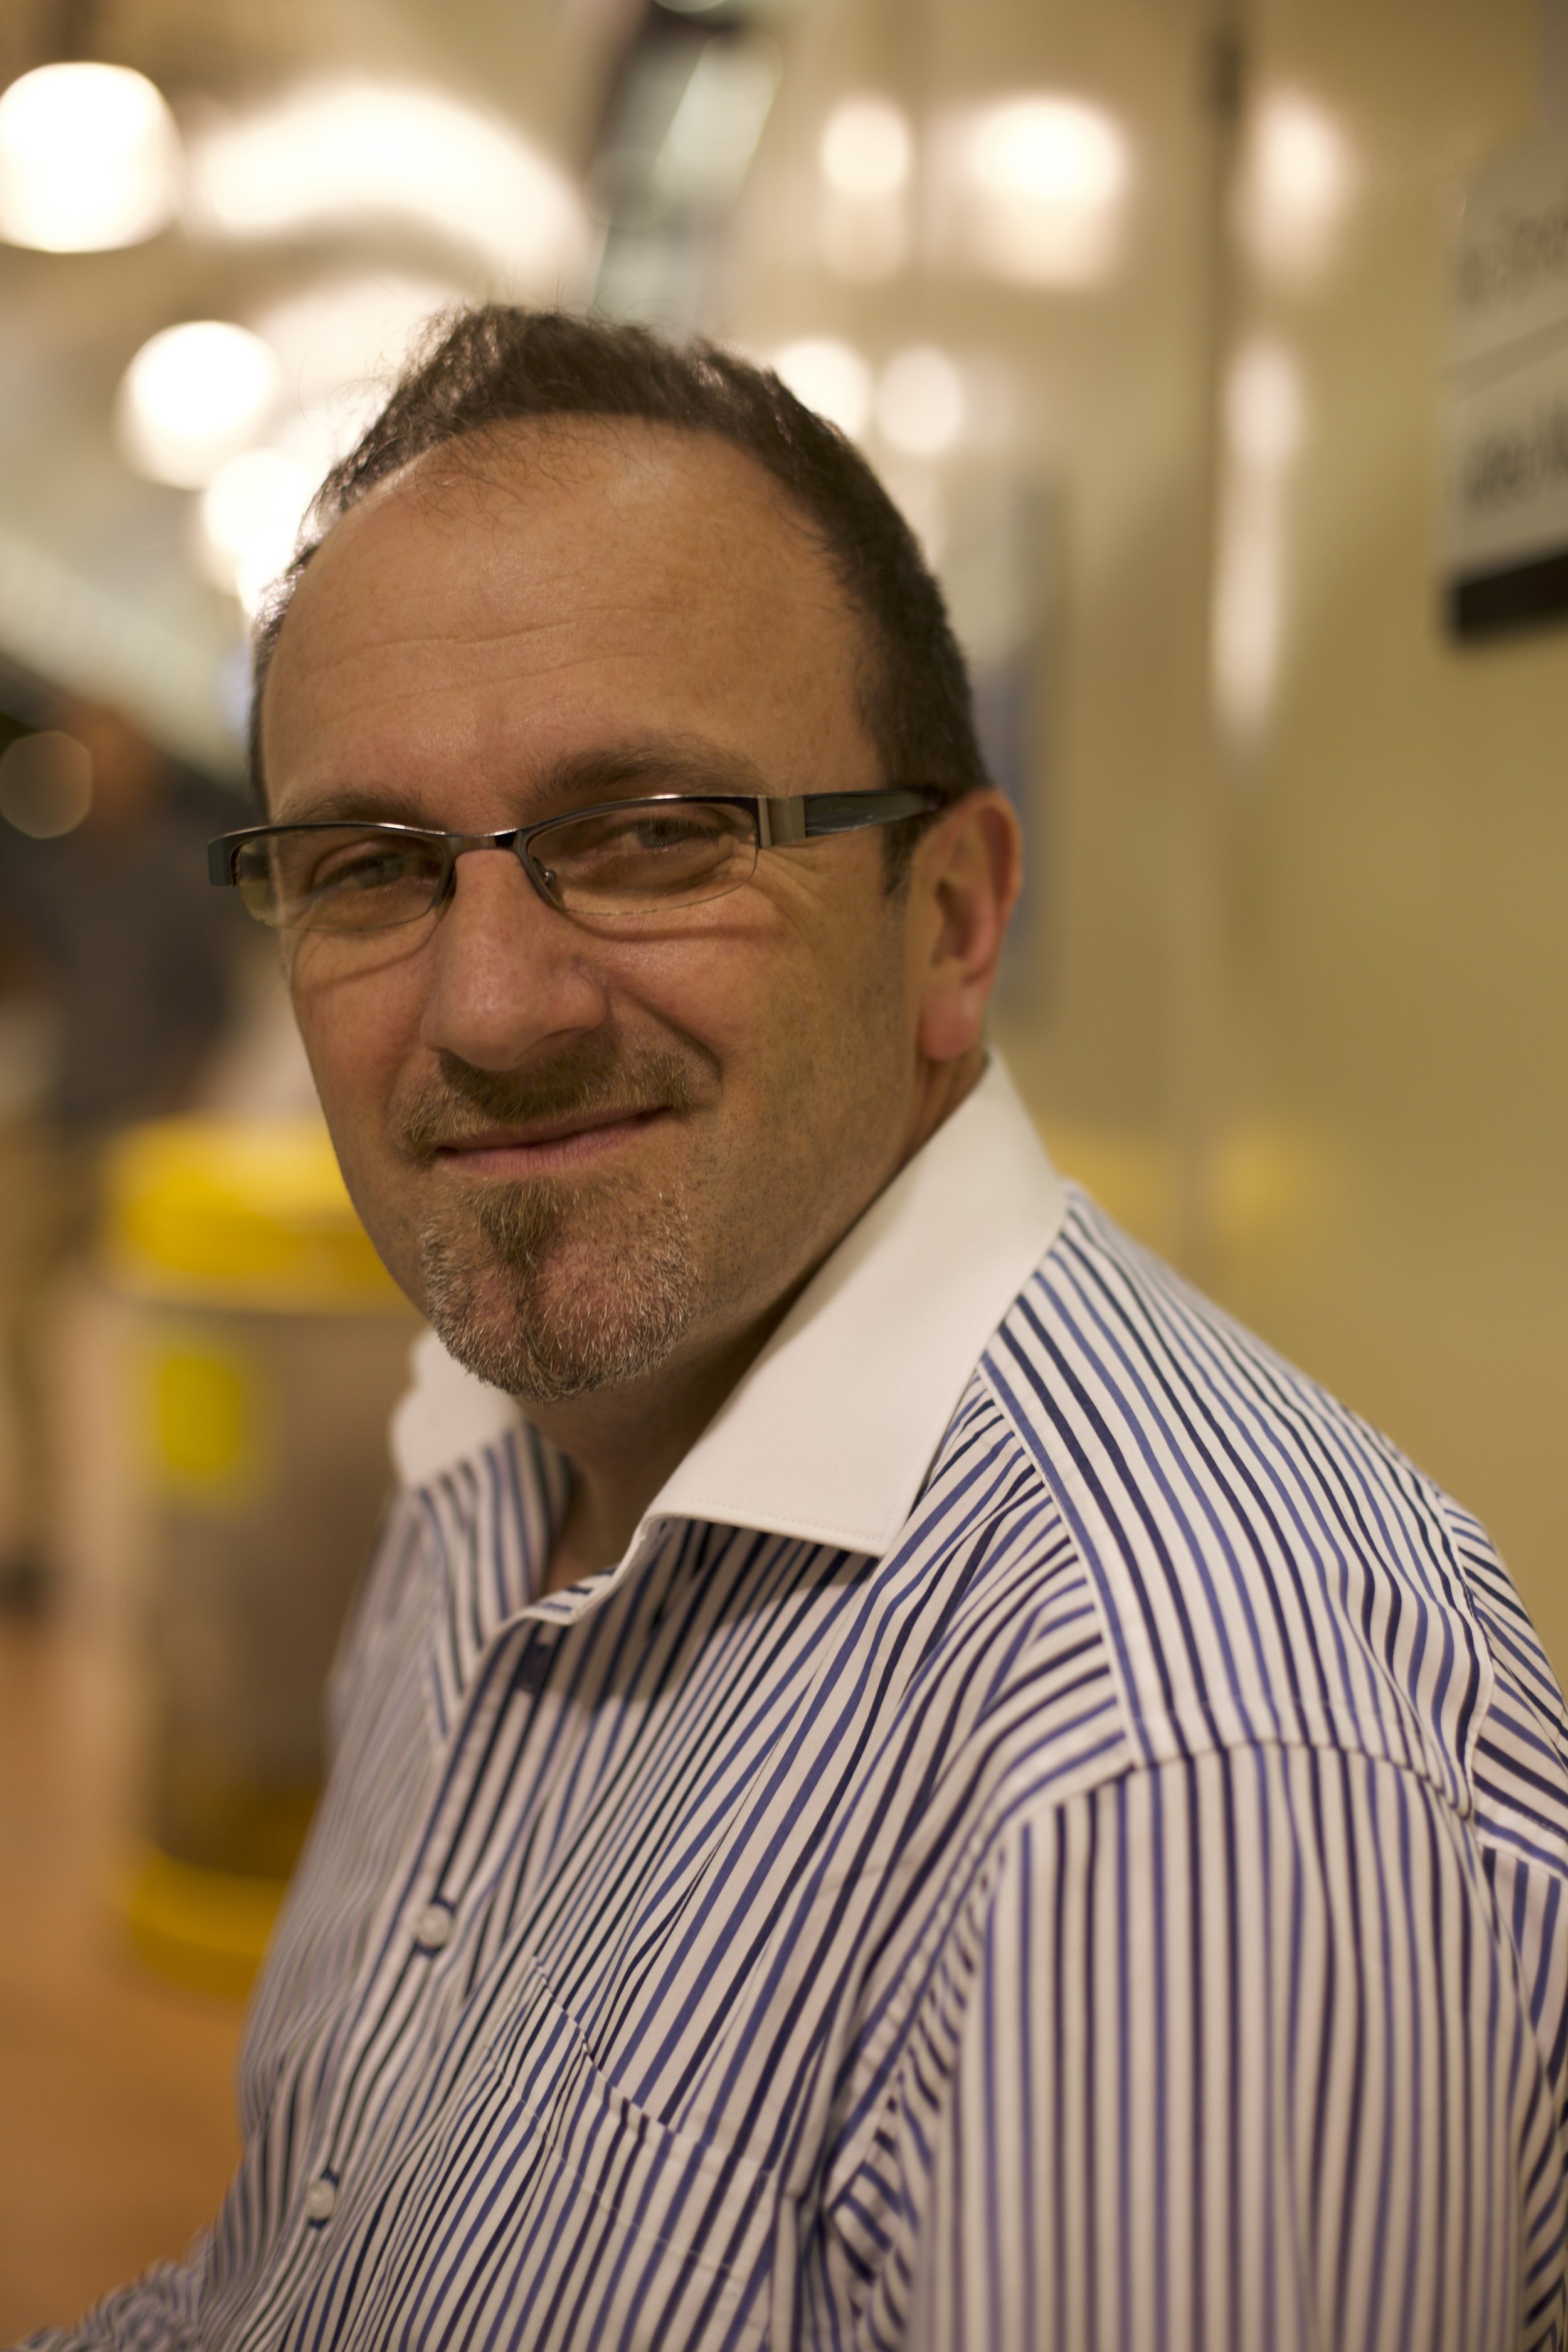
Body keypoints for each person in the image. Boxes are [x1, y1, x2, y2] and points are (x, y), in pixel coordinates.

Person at [28, 309, 1568, 2351]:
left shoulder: (1167, 1765)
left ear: (946, 922)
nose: (491, 1011)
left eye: (653, 834)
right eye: (369, 868)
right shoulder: (502, 1468)